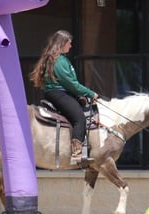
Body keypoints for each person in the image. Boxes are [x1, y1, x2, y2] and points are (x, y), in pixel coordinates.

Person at [29, 30, 99, 163]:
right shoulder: (59, 61)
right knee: (79, 118)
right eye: (69, 43)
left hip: (61, 93)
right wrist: (90, 93)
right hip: (59, 93)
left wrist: (79, 96)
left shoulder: (61, 59)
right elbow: (71, 83)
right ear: (62, 44)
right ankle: (77, 153)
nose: (71, 46)